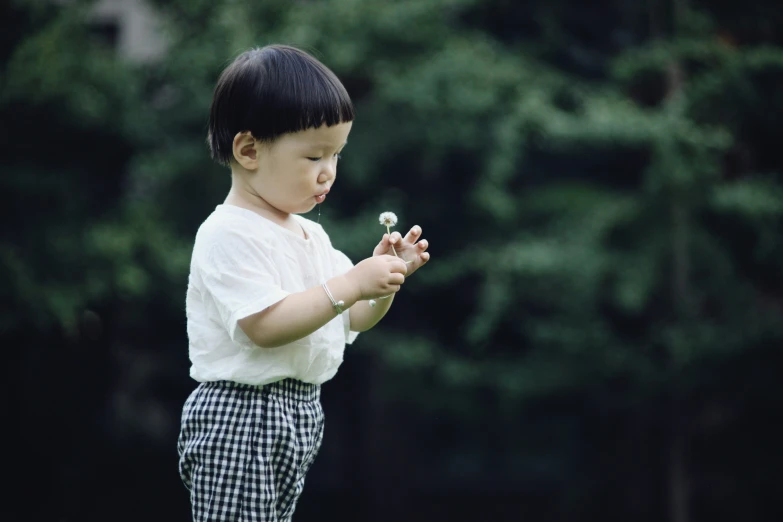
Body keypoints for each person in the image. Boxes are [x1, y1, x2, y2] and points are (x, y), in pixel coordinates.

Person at [176, 44, 430, 521]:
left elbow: (350, 316)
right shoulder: (229, 232)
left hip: (299, 409)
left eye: (336, 154)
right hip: (241, 413)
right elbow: (264, 325)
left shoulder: (309, 233)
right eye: (314, 155)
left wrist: (381, 287)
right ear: (249, 150)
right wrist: (352, 283)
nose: (328, 171)